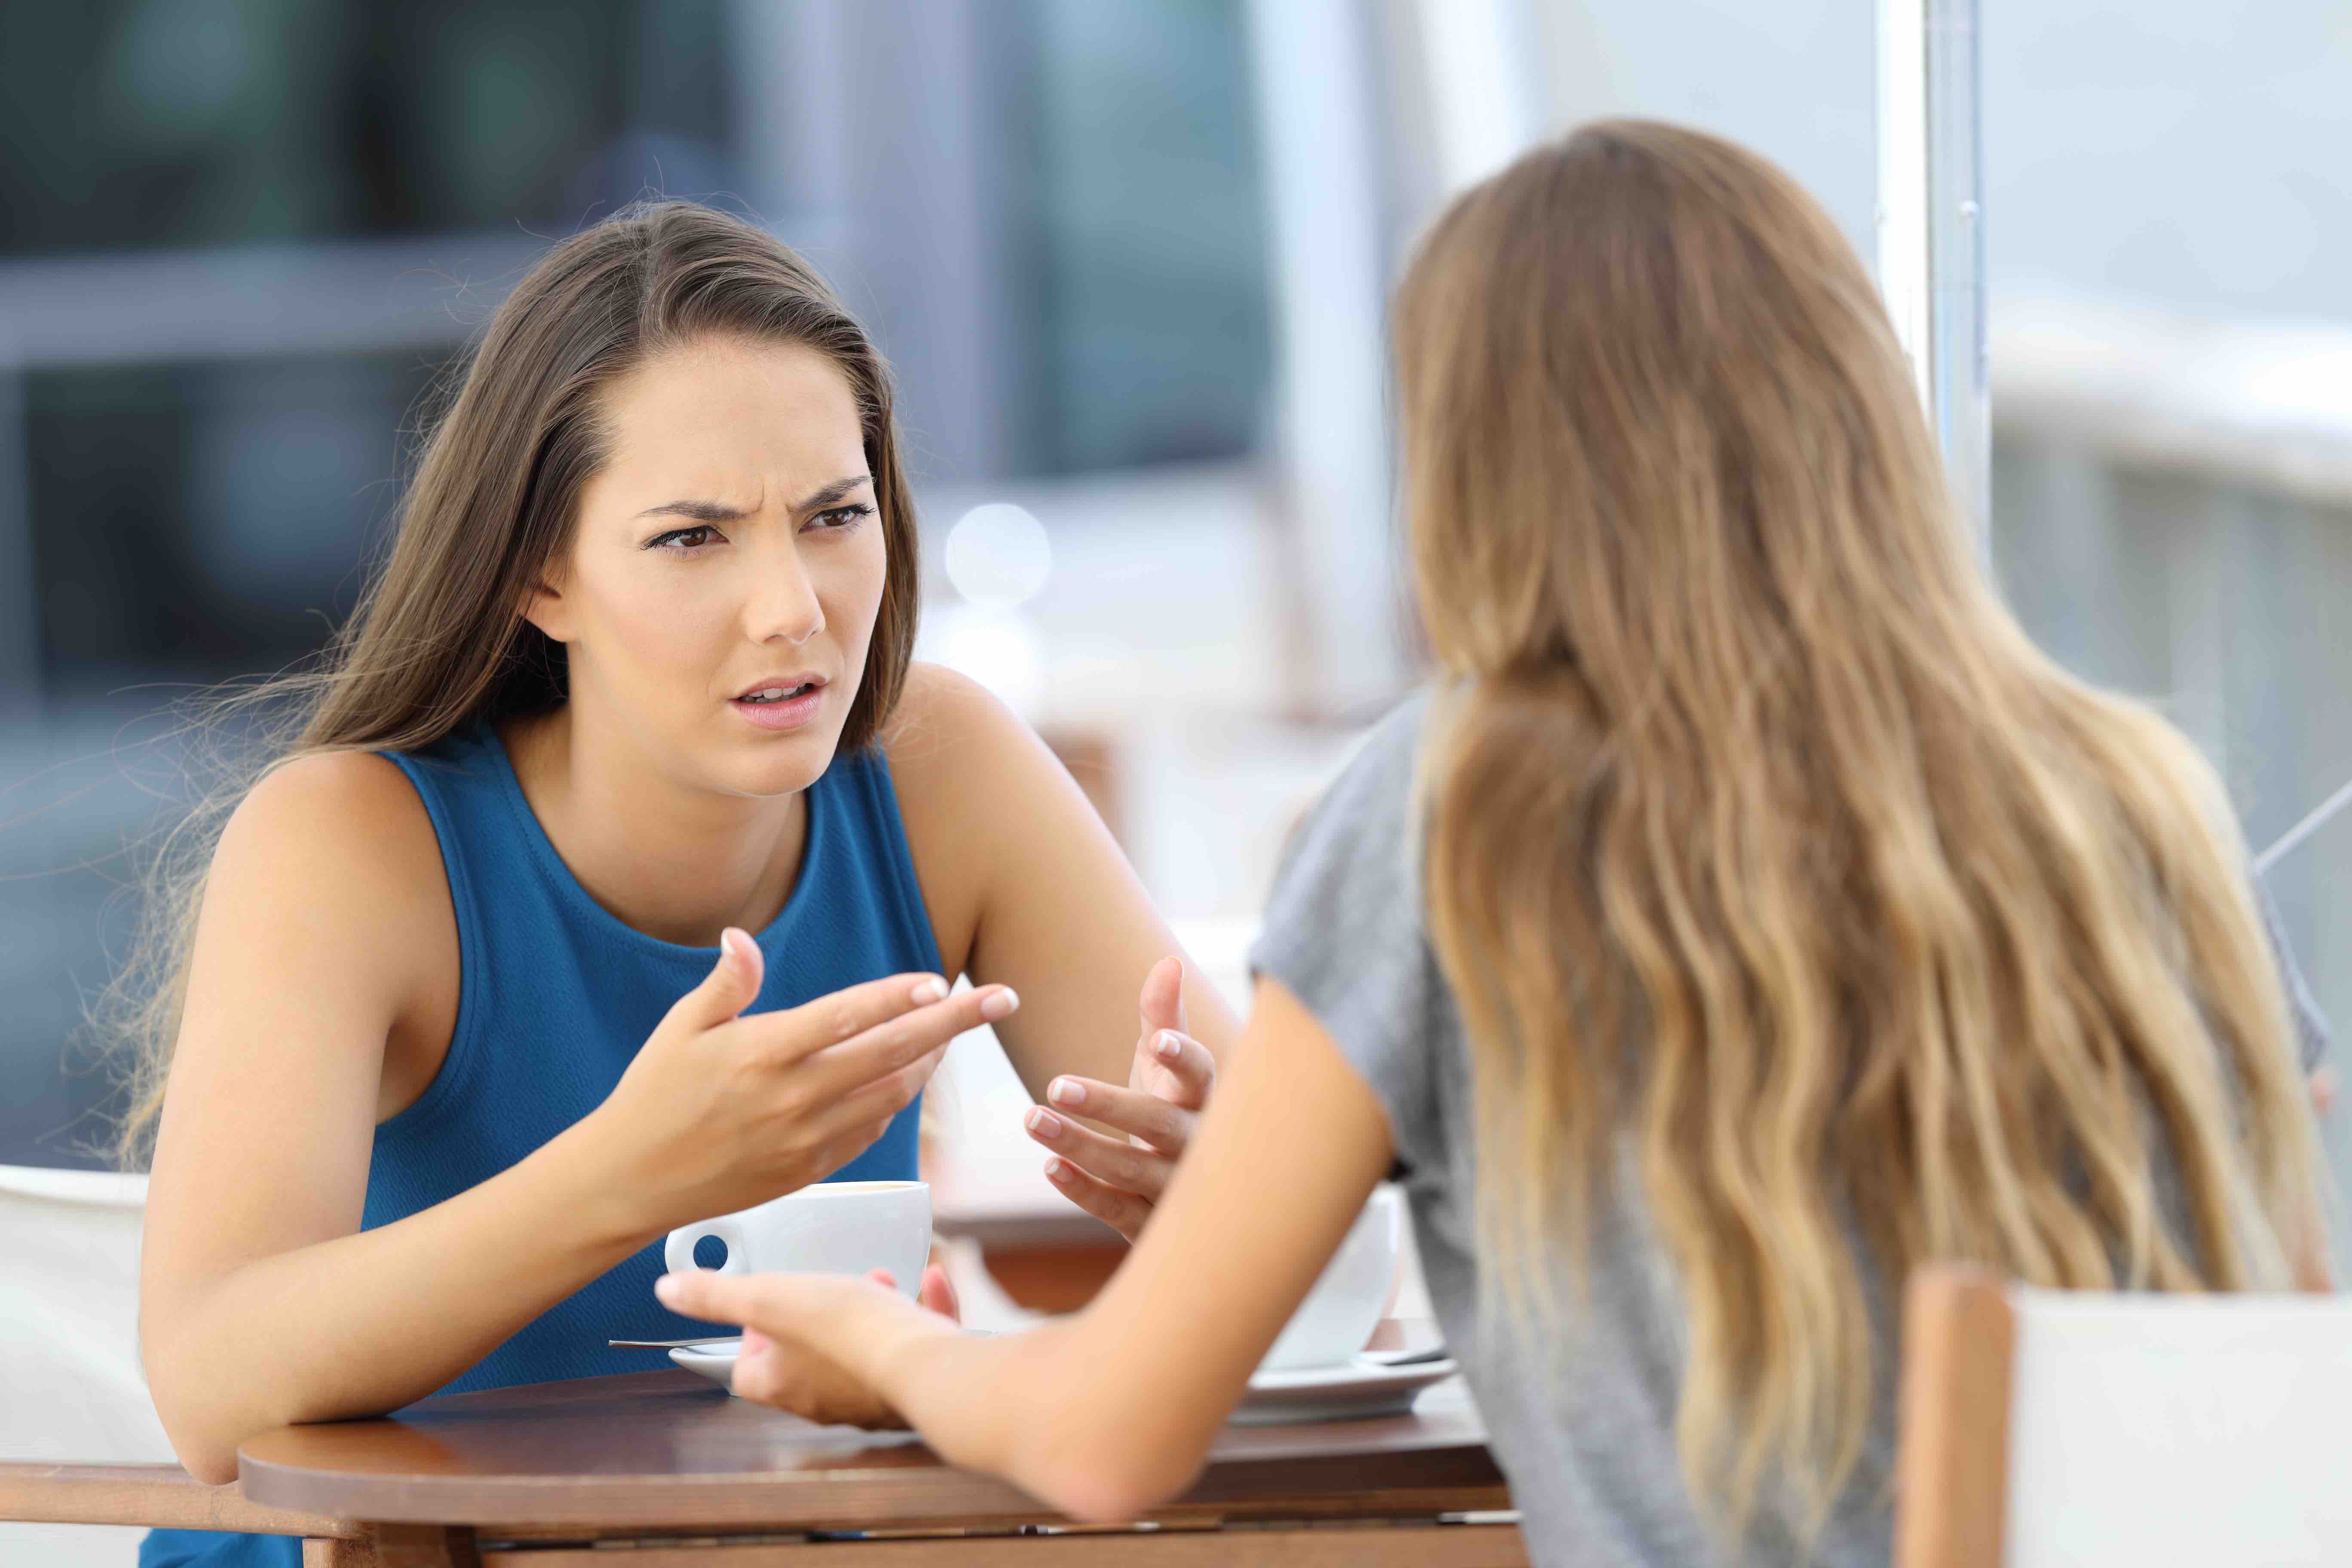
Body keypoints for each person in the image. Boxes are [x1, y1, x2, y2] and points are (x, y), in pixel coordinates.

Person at [659, 122, 2335, 1568]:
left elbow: (1111, 1441)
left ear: (1477, 463)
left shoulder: (1467, 811)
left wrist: (888, 1350)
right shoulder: (2130, 799)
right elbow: (2275, 1369)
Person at [118, 202, 1239, 1568]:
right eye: (694, 538)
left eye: (835, 515)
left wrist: (1234, 1218)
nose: (793, 607)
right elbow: (207, 1391)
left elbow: (1333, 1288)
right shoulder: (348, 842)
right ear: (542, 575)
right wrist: (636, 1171)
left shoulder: (947, 772)